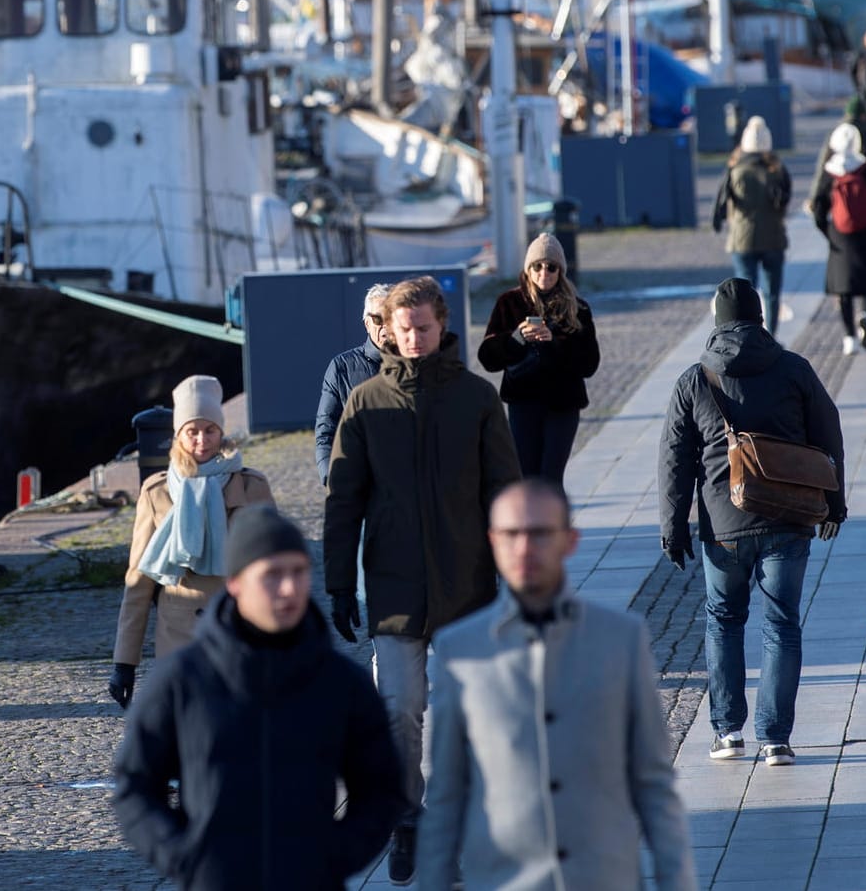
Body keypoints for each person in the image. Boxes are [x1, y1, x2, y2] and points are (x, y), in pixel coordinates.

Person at [324, 275, 522, 885]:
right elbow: (343, 499)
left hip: (467, 586)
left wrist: (518, 573)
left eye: (424, 327)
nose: (414, 338)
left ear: (441, 325)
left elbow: (506, 492)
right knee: (400, 710)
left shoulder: (476, 398)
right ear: (388, 329)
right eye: (403, 329)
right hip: (393, 585)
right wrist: (337, 582)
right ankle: (407, 818)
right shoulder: (365, 404)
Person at [418, 480, 696, 891]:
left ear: (569, 540)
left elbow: (653, 785)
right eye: (511, 534)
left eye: (539, 533)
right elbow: (445, 795)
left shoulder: (620, 638)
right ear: (492, 541)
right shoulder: (459, 651)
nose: (524, 548)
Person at [112, 506, 405, 889]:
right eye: (272, 575)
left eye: (298, 572)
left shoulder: (341, 682)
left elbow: (381, 789)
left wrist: (334, 856)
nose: (288, 589)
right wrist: (187, 857)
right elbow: (135, 788)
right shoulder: (182, 681)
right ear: (235, 582)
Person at [658, 278, 846, 768]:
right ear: (761, 318)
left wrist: (673, 527)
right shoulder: (794, 370)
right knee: (782, 625)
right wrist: (834, 503)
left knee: (723, 621)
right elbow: (829, 435)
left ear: (717, 322)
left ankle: (727, 733)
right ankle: (776, 740)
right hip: (788, 519)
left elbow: (674, 462)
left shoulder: (695, 379)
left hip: (723, 525)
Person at [108, 375, 274, 710]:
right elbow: (139, 581)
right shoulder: (157, 492)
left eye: (210, 430)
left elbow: (274, 569)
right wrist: (124, 663)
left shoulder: (252, 486)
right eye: (192, 431)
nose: (202, 441)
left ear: (221, 431)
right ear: (178, 434)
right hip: (179, 634)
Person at [477, 233, 600, 485]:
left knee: (551, 479)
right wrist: (516, 339)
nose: (544, 272)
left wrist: (553, 342)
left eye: (551, 266)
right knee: (526, 477)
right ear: (528, 269)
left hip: (563, 404)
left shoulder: (578, 308)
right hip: (523, 402)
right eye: (537, 266)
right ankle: (533, 525)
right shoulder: (509, 303)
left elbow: (589, 363)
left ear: (560, 271)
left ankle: (555, 526)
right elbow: (488, 358)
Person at [812, 122, 866, 356]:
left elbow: (818, 208)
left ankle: (849, 336)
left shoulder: (830, 172)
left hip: (840, 237)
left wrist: (828, 231)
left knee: (844, 289)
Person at [709, 116, 793, 336]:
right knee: (772, 294)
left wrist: (718, 222)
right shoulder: (777, 170)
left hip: (742, 239)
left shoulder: (735, 169)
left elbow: (720, 203)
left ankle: (747, 337)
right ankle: (772, 337)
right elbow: (785, 200)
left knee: (744, 294)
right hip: (773, 239)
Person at [315, 283, 393, 484]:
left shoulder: (417, 364)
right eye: (378, 318)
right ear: (367, 323)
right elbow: (326, 431)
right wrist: (331, 478)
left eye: (391, 317)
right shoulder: (341, 367)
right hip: (362, 487)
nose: (385, 325)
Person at [810, 96, 866, 217]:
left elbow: (823, 166)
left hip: (840, 198)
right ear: (864, 115)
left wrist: (814, 197)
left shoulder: (837, 133)